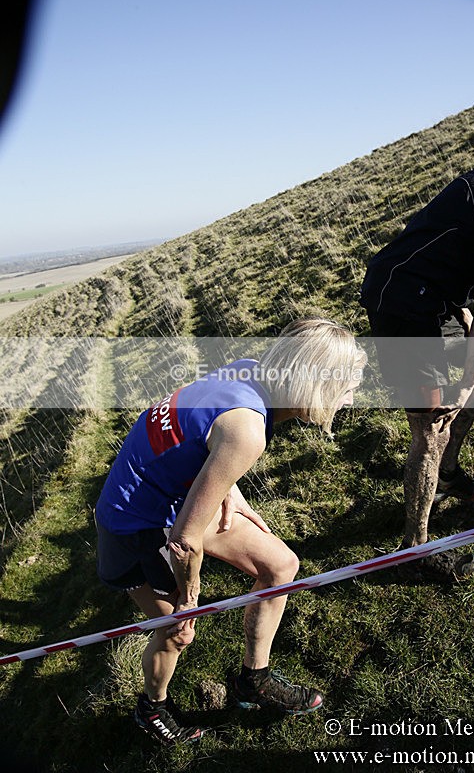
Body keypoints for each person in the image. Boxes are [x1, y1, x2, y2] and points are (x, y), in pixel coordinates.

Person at [95, 316, 366, 744]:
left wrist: (227, 488)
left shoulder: (248, 368)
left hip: (170, 497)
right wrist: (189, 597)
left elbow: (200, 430)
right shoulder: (248, 431)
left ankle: (253, 681)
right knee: (176, 631)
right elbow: (183, 542)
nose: (350, 400)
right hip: (138, 524)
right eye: (346, 386)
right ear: (313, 382)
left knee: (280, 564)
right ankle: (152, 708)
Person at [360, 150, 474, 578]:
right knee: (432, 426)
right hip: (405, 305)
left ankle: (449, 473)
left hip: (436, 297)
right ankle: (413, 552)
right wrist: (461, 387)